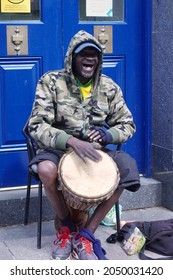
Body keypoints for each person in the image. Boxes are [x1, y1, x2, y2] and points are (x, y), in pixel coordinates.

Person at [28, 30, 140, 260]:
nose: (90, 58)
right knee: (46, 170)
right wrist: (70, 141)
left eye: (94, 54)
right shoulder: (51, 82)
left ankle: (86, 234)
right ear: (72, 58)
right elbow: (36, 125)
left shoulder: (109, 87)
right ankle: (67, 228)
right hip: (58, 149)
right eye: (83, 54)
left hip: (94, 151)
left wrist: (108, 137)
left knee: (127, 168)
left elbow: (128, 124)